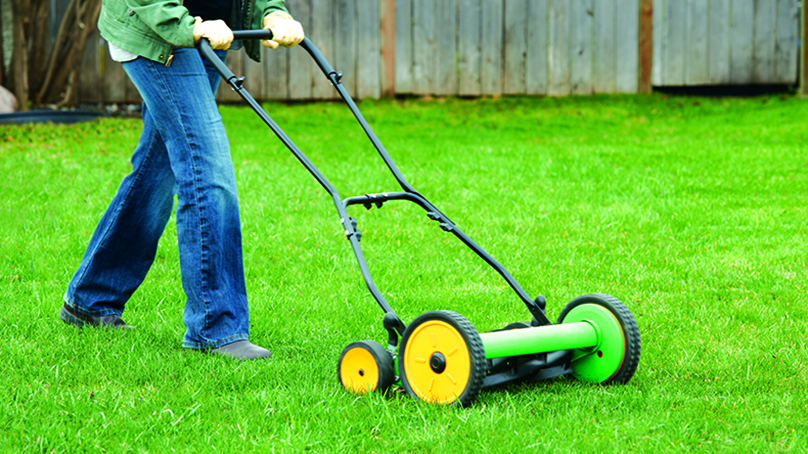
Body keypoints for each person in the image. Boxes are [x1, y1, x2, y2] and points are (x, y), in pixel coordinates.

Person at [58, 0, 304, 361]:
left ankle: (91, 300)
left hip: (205, 35)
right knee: (206, 165)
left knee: (156, 172)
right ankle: (215, 328)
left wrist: (272, 11)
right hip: (156, 29)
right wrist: (186, 26)